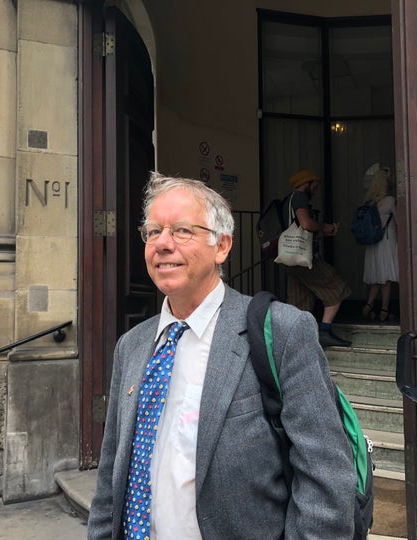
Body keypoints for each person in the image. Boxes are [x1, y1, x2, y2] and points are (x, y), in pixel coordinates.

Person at [88, 172, 356, 539]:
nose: (162, 243)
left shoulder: (283, 331)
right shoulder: (131, 346)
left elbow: (326, 481)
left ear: (222, 246)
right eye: (153, 231)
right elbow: (110, 478)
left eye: (182, 230)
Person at [277, 169, 352, 348]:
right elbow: (305, 223)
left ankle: (294, 342)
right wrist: (324, 227)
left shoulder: (287, 201)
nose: (315, 190)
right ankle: (324, 331)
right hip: (302, 257)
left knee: (299, 301)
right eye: (314, 186)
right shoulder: (300, 197)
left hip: (289, 258)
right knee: (336, 286)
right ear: (306, 183)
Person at [361, 166, 399, 322]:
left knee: (377, 278)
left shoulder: (369, 203)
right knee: (386, 278)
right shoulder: (389, 201)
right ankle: (384, 310)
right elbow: (399, 221)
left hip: (372, 243)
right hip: (386, 241)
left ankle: (368, 307)